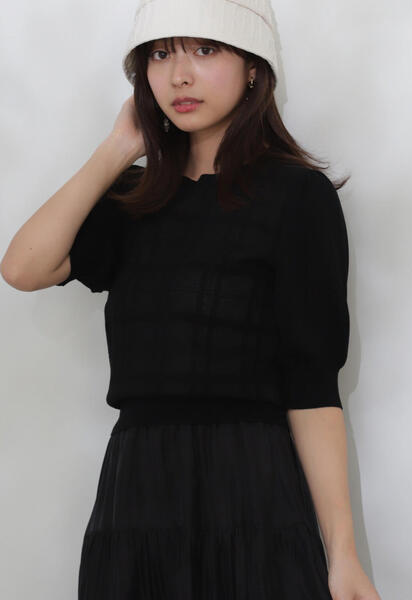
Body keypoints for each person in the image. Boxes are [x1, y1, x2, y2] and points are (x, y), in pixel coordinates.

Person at [1, 1, 381, 598]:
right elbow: (23, 268)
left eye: (205, 50)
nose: (179, 75)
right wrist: (118, 147)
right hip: (136, 496)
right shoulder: (133, 199)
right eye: (160, 54)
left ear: (253, 67)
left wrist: (343, 554)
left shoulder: (297, 197)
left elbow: (312, 387)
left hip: (253, 492)